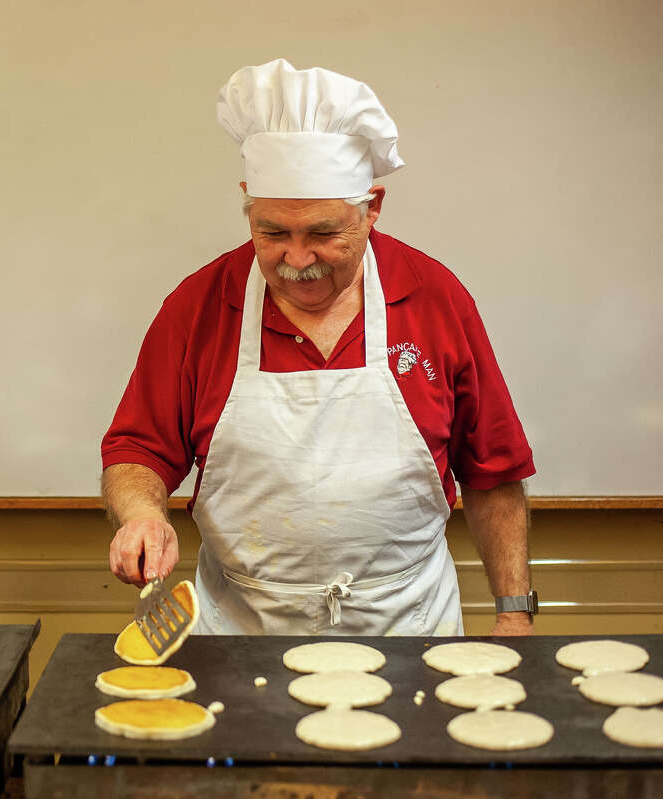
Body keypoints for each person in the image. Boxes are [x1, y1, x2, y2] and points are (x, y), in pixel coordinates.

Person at [102, 60, 536, 637]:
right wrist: (141, 515)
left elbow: (492, 471)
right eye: (273, 232)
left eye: (325, 234)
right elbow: (138, 447)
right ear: (247, 205)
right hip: (240, 631)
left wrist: (514, 611)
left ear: (372, 207)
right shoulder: (200, 306)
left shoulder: (435, 299)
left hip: (407, 629)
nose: (297, 260)